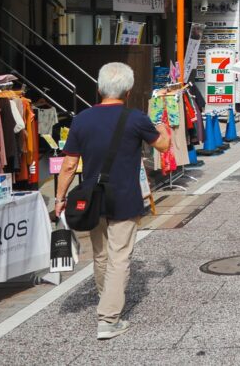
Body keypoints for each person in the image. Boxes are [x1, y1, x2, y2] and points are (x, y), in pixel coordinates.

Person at [54, 62, 172, 340]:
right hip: (125, 198)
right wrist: (164, 128)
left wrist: (59, 198)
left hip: (92, 199)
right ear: (128, 91)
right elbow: (163, 145)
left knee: (101, 254)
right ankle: (108, 319)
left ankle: (105, 298)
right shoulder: (136, 118)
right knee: (120, 257)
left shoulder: (82, 119)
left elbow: (69, 165)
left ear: (99, 88)